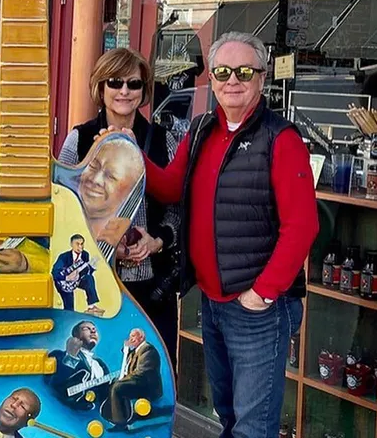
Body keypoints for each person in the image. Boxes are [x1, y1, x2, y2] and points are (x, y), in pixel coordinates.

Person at [131, 32, 319, 437]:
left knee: (253, 426)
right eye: (222, 71)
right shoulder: (201, 130)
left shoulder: (281, 140)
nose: (232, 80)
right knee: (229, 417)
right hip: (213, 303)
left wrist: (263, 293)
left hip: (257, 308)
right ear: (211, 79)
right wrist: (128, 151)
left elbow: (303, 225)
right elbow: (168, 186)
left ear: (261, 78)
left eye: (244, 71)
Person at [58, 47, 181, 365]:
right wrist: (104, 242)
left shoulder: (164, 139)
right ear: (100, 88)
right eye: (114, 82)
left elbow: (179, 206)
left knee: (153, 375)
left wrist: (157, 241)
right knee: (99, 372)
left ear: (144, 91)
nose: (124, 91)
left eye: (134, 84)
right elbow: (62, 205)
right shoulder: (80, 138)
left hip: (152, 285)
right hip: (94, 283)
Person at [103, 329, 163, 430]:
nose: (131, 339)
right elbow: (127, 367)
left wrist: (123, 380)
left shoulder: (148, 350)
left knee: (117, 387)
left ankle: (120, 423)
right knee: (113, 383)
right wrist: (126, 350)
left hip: (146, 385)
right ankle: (118, 414)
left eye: (134, 336)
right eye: (130, 336)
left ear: (141, 337)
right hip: (137, 382)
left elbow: (141, 372)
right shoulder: (134, 352)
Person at [45, 321, 111, 408]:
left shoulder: (100, 364)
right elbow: (53, 385)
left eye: (94, 329)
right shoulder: (58, 355)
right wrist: (71, 357)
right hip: (63, 411)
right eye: (86, 329)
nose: (93, 331)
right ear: (76, 335)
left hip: (92, 414)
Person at [51, 234, 102, 315]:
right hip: (63, 284)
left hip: (77, 280)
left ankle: (91, 307)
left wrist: (91, 268)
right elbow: (54, 272)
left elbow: (85, 272)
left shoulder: (85, 255)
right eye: (77, 244)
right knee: (69, 309)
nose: (80, 246)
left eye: (82, 244)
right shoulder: (64, 257)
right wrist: (67, 277)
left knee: (89, 278)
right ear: (71, 244)